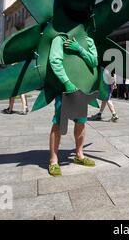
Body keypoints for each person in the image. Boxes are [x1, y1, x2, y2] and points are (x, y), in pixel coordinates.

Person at [48, 35, 98, 177]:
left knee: (81, 122)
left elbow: (94, 62)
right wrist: (66, 81)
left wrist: (80, 49)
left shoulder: (89, 40)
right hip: (64, 90)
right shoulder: (59, 39)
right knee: (58, 123)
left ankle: (79, 154)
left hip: (81, 90)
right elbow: (55, 61)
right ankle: (53, 160)